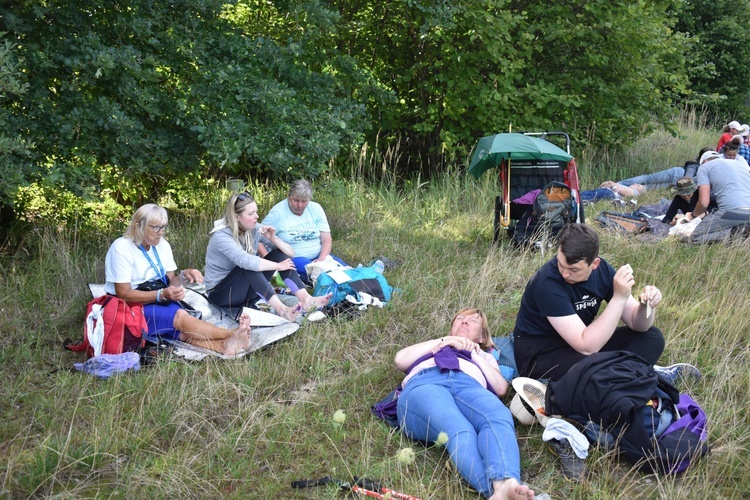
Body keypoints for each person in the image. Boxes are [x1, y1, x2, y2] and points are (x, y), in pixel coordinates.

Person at [394, 308, 535, 500]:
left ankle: (506, 482)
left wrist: (474, 353)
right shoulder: (435, 345)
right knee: (459, 428)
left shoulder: (485, 356)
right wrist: (444, 341)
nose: (465, 322)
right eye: (460, 318)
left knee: (498, 416)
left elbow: (500, 388)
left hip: (469, 386)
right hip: (426, 384)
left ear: (483, 337)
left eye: (473, 320)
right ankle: (496, 492)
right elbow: (400, 360)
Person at [513, 223, 666, 381]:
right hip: (541, 354)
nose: (565, 274)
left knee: (652, 337)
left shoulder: (602, 271)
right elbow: (586, 346)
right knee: (591, 367)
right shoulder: (546, 283)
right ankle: (632, 376)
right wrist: (618, 298)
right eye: (560, 264)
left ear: (594, 264)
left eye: (574, 270)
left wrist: (647, 305)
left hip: (580, 347)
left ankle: (621, 379)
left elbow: (638, 324)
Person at [105, 204, 251, 356]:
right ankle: (232, 333)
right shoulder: (121, 248)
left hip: (158, 299)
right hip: (131, 307)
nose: (160, 233)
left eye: (163, 227)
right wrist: (161, 295)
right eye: (155, 228)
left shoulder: (162, 245)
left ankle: (224, 346)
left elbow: (170, 282)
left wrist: (183, 276)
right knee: (180, 317)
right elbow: (123, 294)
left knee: (182, 332)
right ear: (138, 226)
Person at [204, 192, 332, 321]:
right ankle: (282, 310)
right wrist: (278, 266)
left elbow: (290, 253)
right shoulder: (221, 237)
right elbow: (246, 261)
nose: (257, 216)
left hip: (245, 293)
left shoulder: (254, 229)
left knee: (278, 253)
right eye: (251, 214)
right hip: (221, 295)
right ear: (237, 217)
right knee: (249, 267)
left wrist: (274, 239)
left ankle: (306, 299)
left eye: (256, 212)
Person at [261, 179, 347, 278]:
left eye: (304, 201)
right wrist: (268, 262)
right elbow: (258, 235)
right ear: (289, 197)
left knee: (346, 270)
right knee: (323, 274)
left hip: (319, 255)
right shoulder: (278, 213)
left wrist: (322, 258)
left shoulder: (316, 209)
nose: (300, 205)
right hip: (293, 257)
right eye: (296, 200)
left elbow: (326, 239)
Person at [685, 150, 750, 244]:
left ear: (703, 161)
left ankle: (732, 233)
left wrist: (692, 215)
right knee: (728, 223)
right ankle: (740, 231)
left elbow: (703, 203)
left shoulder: (704, 167)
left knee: (693, 237)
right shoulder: (739, 164)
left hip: (731, 211)